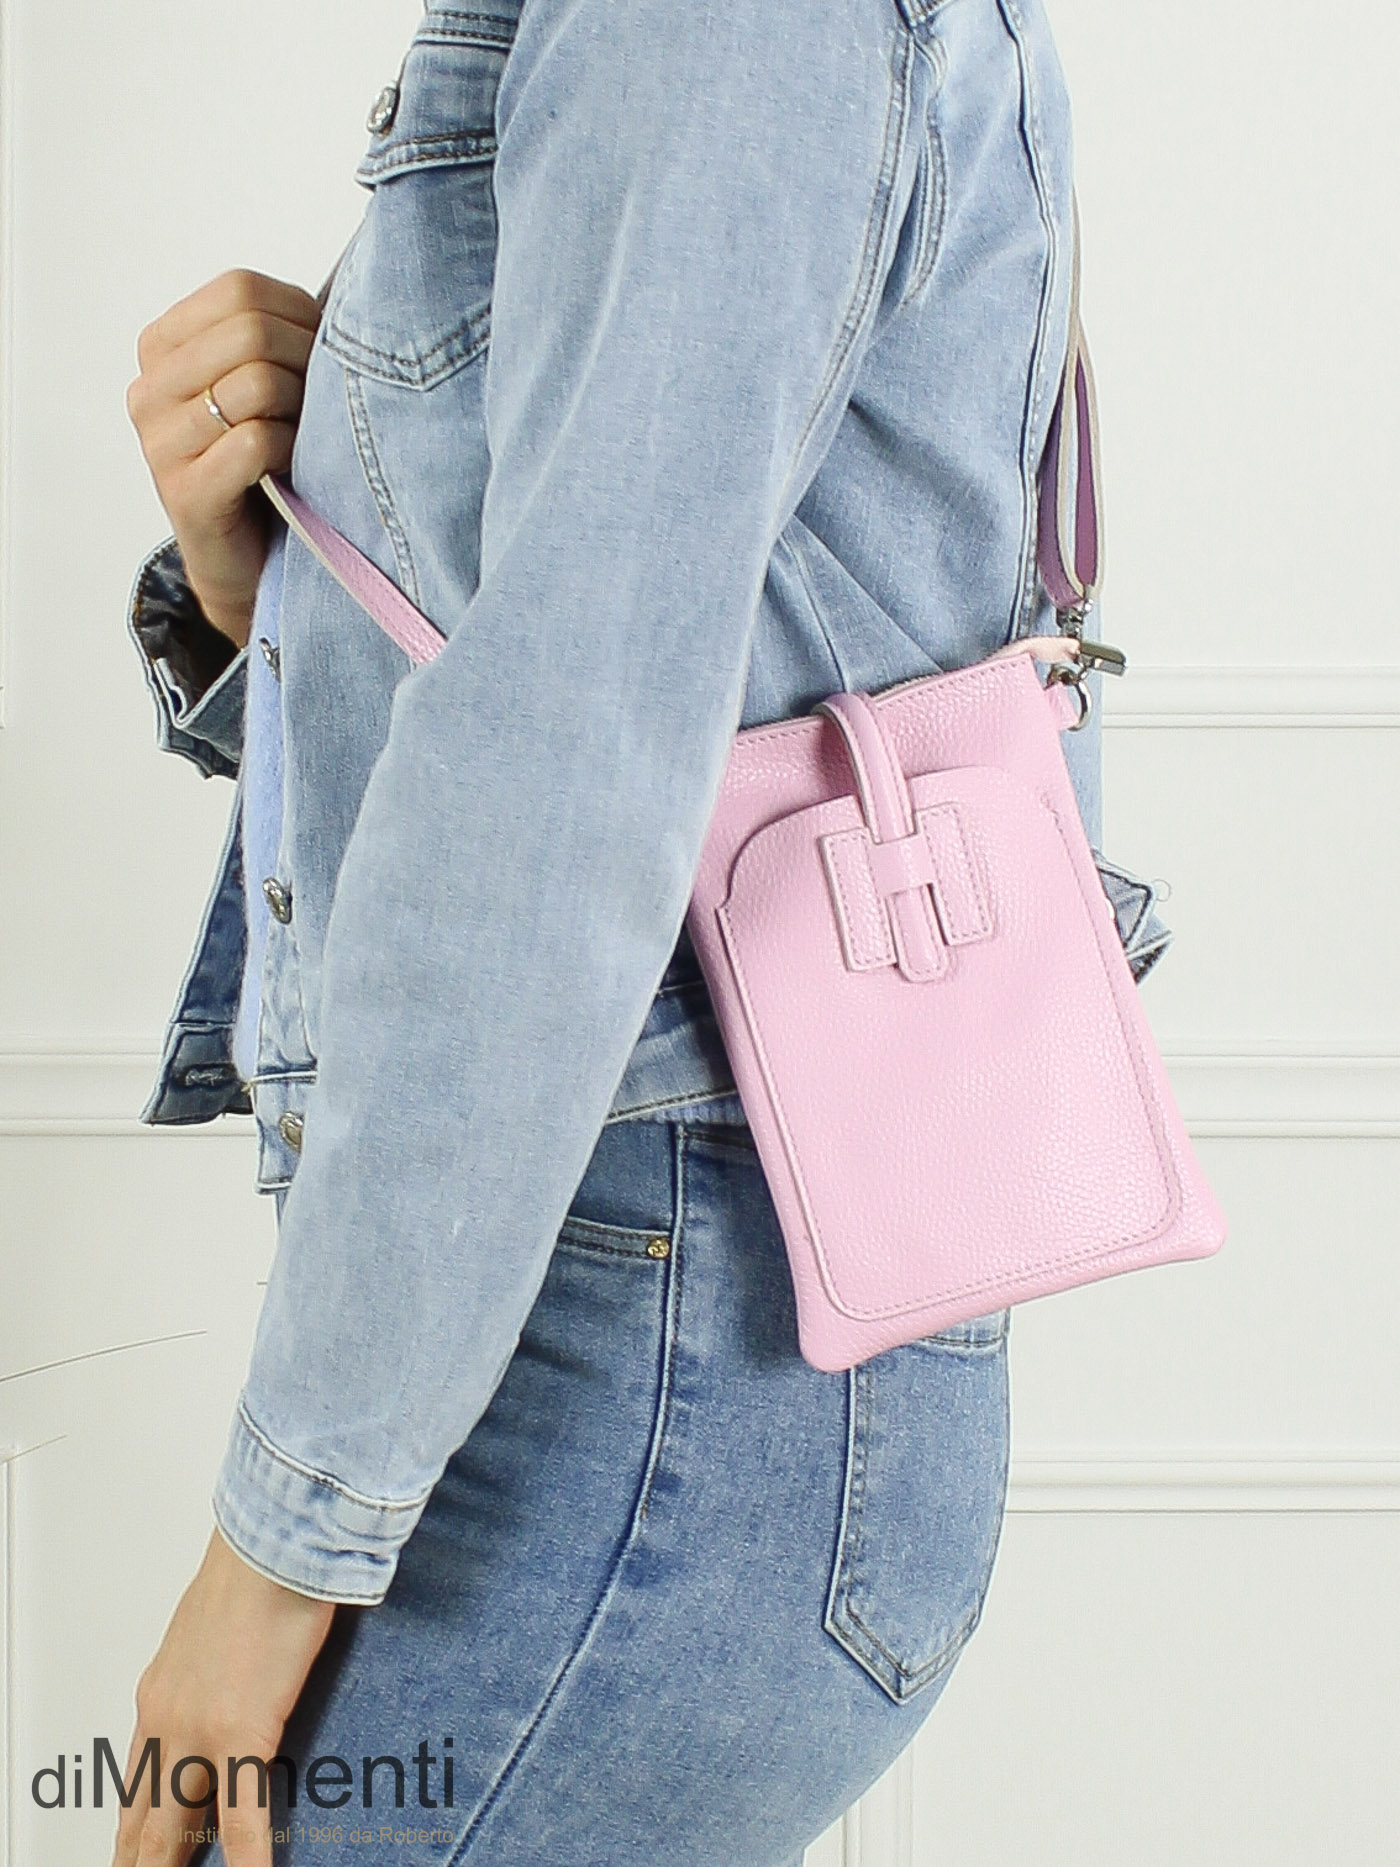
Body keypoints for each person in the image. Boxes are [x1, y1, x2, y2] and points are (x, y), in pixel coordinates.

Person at [115, 1, 1164, 1862]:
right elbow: (616, 666)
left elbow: (564, 767)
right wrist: (253, 582)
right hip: (622, 1336)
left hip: (653, 1360)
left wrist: (277, 1547)